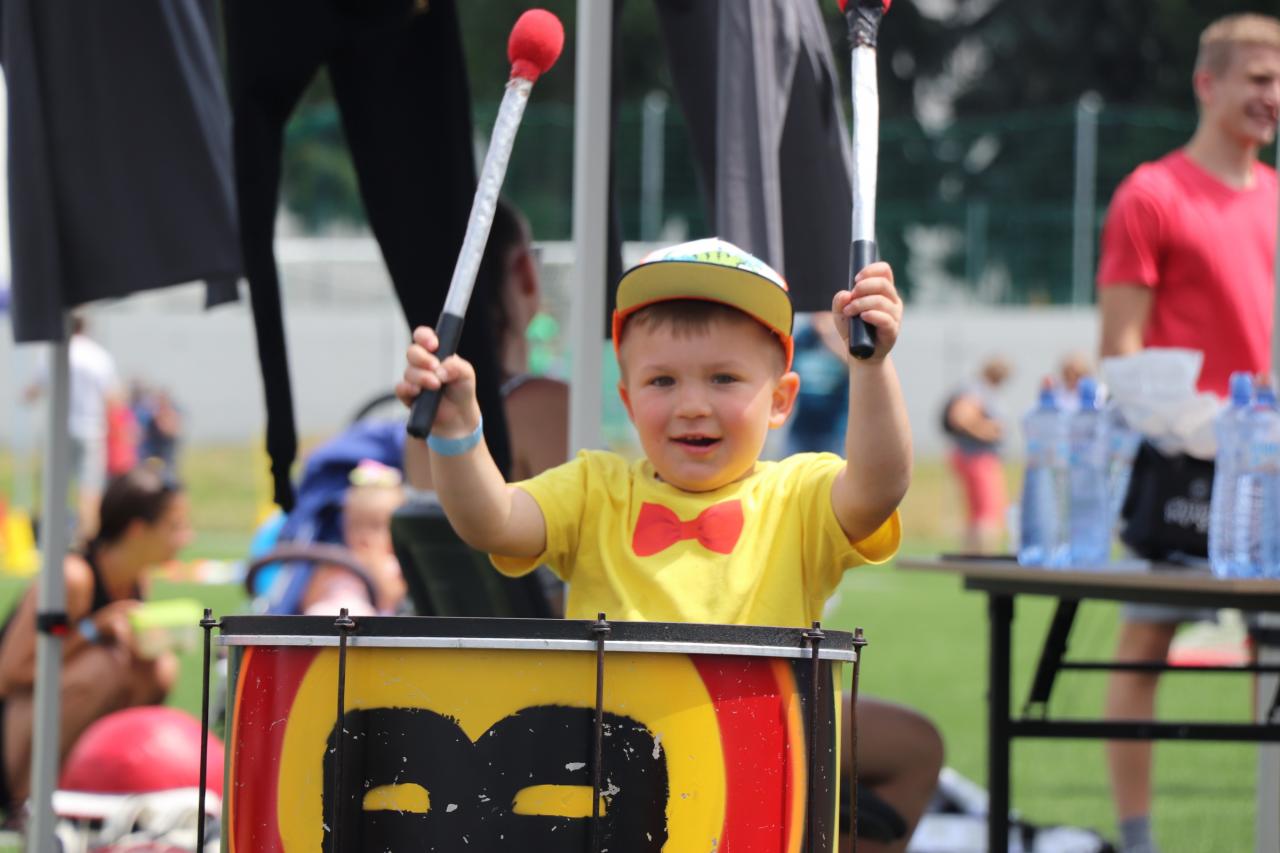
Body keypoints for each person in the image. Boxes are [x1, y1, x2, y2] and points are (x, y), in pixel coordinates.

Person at [396, 237, 940, 853]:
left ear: (781, 400)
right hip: (611, 792)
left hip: (756, 786)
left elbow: (877, 486)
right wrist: (459, 436)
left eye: (725, 378)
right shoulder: (595, 488)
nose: (692, 405)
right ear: (628, 400)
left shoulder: (801, 494)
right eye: (662, 381)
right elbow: (492, 522)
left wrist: (871, 367)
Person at [1095, 14, 1280, 853]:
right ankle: (1138, 839)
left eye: (1279, 80)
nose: (1272, 96)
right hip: (1179, 457)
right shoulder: (1152, 194)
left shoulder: (1277, 197)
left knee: (1273, 654)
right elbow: (1119, 346)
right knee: (1143, 644)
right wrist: (1187, 421)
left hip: (1270, 461)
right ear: (1208, 84)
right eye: (1258, 77)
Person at [0, 465, 190, 817]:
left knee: (158, 667)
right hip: (11, 736)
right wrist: (92, 631)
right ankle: (29, 803)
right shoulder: (73, 577)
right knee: (102, 669)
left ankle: (109, 788)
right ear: (137, 530)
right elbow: (8, 674)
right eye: (176, 526)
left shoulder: (137, 580)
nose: (186, 538)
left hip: (50, 721)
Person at [24, 314, 123, 539]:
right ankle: (86, 540)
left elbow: (34, 389)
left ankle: (50, 538)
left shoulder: (52, 353)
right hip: (91, 430)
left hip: (58, 431)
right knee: (89, 489)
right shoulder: (98, 355)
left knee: (55, 486)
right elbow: (113, 397)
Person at [302, 459, 408, 616]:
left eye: (377, 526)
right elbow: (308, 599)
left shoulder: (393, 566)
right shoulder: (337, 560)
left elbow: (395, 600)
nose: (364, 536)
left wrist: (376, 570)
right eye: (355, 525)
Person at [941, 356, 1011, 554]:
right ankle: (982, 555)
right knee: (987, 512)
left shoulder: (980, 389)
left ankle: (975, 554)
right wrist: (989, 430)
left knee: (979, 513)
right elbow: (960, 417)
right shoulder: (976, 389)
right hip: (976, 457)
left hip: (974, 457)